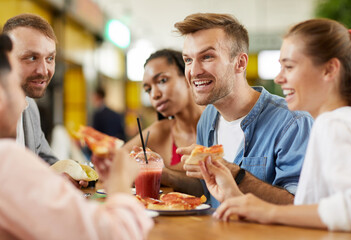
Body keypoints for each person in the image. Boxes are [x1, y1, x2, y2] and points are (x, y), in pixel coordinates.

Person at [200, 19, 351, 232]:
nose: (279, 78)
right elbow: (311, 213)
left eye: (289, 67)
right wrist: (236, 196)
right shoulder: (343, 120)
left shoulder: (334, 124)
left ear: (329, 70)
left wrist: (270, 211)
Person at [0, 33, 153, 240]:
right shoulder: (6, 159)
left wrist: (54, 182)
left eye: (50, 58)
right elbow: (116, 235)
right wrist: (120, 181)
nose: (23, 102)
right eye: (14, 85)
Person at [174, 13, 313, 207]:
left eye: (207, 57)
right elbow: (208, 191)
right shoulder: (208, 118)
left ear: (240, 63)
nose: (194, 71)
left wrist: (236, 175)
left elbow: (300, 205)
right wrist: (159, 173)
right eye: (188, 60)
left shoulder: (292, 122)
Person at [122, 49, 204, 195]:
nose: (154, 94)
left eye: (162, 81)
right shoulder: (161, 131)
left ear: (187, 76)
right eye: (148, 89)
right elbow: (115, 162)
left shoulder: (221, 123)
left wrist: (163, 173)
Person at [2, 13, 58, 165]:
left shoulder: (30, 107)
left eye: (50, 59)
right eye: (32, 58)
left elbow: (46, 161)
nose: (44, 71)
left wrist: (70, 174)